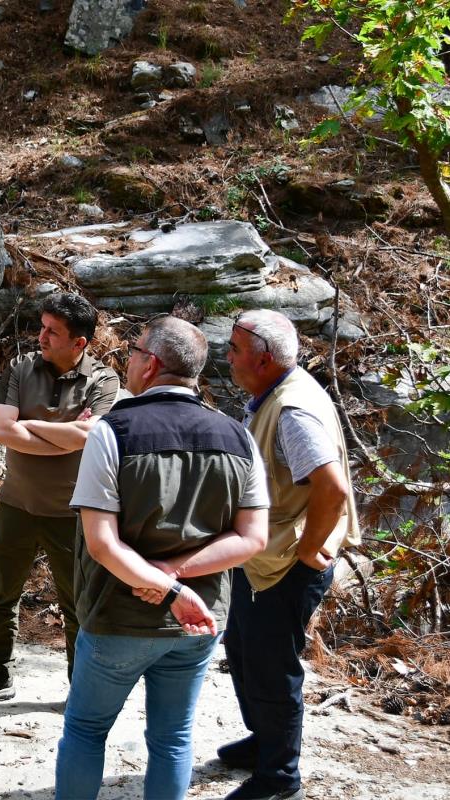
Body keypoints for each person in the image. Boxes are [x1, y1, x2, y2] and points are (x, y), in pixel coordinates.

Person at [56, 316, 269, 800]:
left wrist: (166, 582)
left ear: (150, 364)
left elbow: (102, 544)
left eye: (132, 350)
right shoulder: (239, 438)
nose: (127, 359)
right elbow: (252, 538)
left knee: (87, 731)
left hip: (118, 616)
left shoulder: (112, 433)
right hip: (197, 619)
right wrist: (178, 579)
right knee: (173, 739)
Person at [221, 310, 361, 800]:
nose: (228, 357)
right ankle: (265, 742)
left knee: (272, 667)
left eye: (235, 350)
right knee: (242, 650)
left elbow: (331, 488)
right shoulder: (276, 393)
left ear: (262, 361)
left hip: (284, 565)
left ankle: (279, 778)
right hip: (265, 559)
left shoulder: (294, 410)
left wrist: (306, 554)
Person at [0, 293, 119, 708]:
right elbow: (1, 432)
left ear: (79, 343)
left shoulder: (102, 381)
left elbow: (92, 437)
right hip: (17, 504)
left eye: (53, 331)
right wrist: (64, 434)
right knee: (2, 594)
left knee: (76, 604)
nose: (41, 336)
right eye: (42, 326)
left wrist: (28, 426)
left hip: (72, 512)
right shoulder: (20, 367)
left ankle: (79, 683)